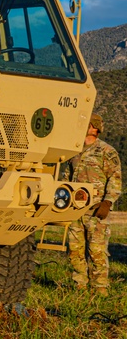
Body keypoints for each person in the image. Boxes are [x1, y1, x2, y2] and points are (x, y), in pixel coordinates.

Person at [68, 112, 121, 295]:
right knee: (75, 251)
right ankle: (79, 286)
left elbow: (115, 178)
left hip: (96, 209)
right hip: (75, 209)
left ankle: (100, 290)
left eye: (88, 124)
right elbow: (68, 175)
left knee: (96, 251)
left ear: (95, 128)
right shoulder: (74, 149)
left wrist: (108, 202)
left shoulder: (106, 151)